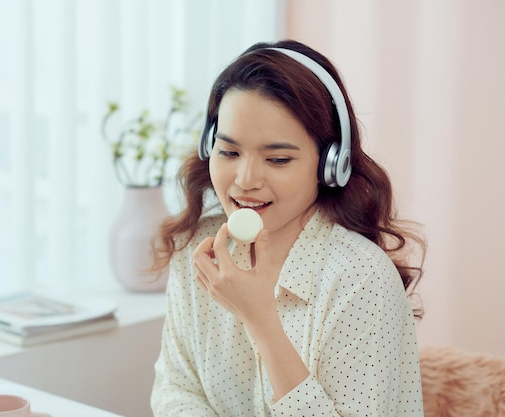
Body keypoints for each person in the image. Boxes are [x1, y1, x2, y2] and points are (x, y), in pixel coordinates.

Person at [149, 39, 426, 417]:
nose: (245, 180)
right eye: (228, 152)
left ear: (330, 164)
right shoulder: (198, 246)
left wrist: (261, 319)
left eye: (277, 159)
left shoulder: (360, 277)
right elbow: (175, 391)